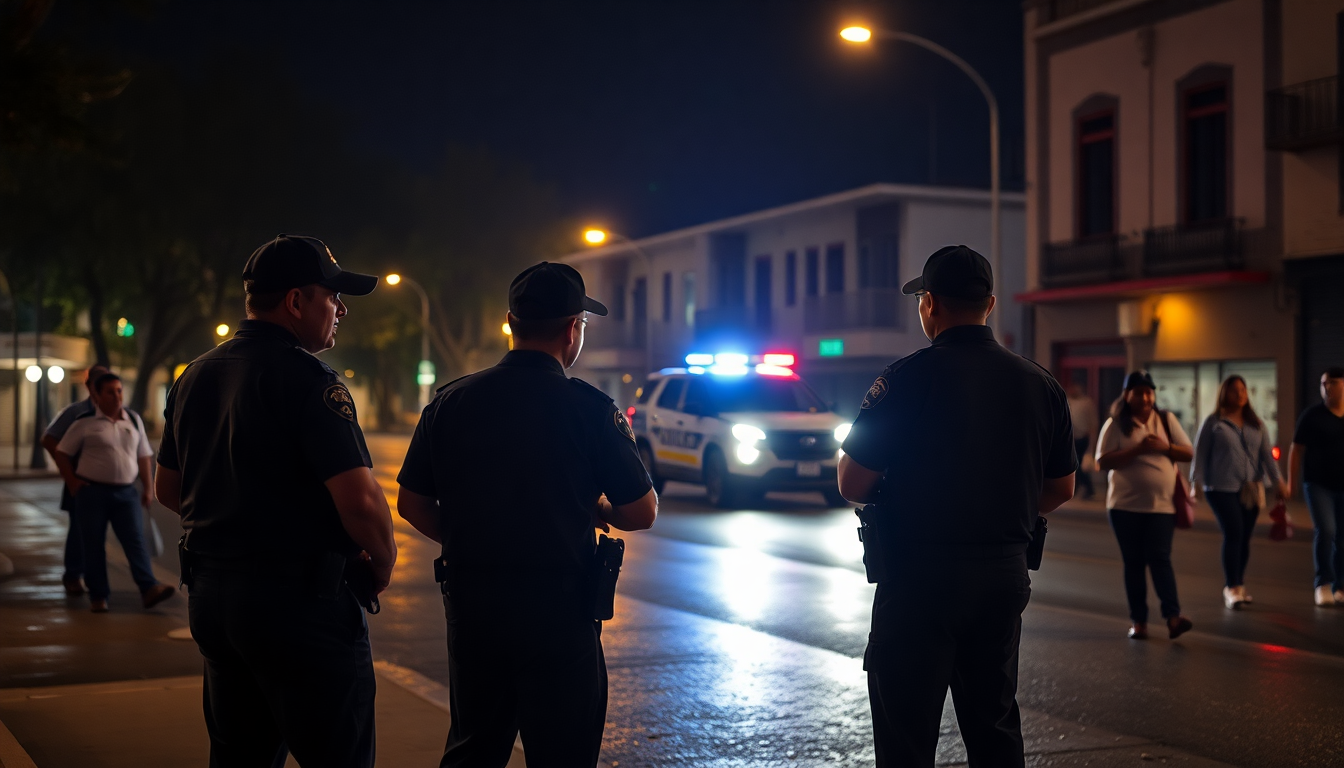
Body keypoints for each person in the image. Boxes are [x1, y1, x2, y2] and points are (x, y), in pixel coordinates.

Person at [396, 262, 657, 768]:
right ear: (572, 329)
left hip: (474, 606)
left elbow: (412, 502)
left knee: (474, 747)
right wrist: (597, 506)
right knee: (563, 752)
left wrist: (470, 539)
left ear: (511, 322)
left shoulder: (450, 401)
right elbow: (641, 510)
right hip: (561, 612)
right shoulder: (591, 409)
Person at [154, 234, 397, 768]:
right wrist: (381, 561)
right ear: (295, 302)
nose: (340, 310)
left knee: (240, 755)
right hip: (299, 606)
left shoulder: (194, 376)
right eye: (332, 298)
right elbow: (360, 501)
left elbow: (169, 490)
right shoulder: (310, 381)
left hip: (214, 599)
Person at [836, 245, 1077, 768]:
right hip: (1002, 577)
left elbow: (853, 481)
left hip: (920, 578)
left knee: (907, 732)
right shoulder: (1041, 385)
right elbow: (1061, 488)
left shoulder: (903, 380)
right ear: (989, 304)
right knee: (993, 725)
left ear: (931, 305)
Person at [51, 372, 173, 613]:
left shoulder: (134, 420)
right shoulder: (85, 422)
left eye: (119, 390)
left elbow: (144, 457)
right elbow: (62, 452)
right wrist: (73, 482)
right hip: (92, 492)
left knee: (135, 541)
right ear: (96, 394)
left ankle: (149, 588)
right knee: (93, 544)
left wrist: (148, 488)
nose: (117, 396)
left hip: (126, 493)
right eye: (110, 391)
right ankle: (98, 596)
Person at [1095, 371, 1195, 640]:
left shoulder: (1166, 419)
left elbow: (1188, 452)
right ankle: (1139, 622)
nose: (1145, 397)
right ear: (1127, 395)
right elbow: (1102, 461)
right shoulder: (1116, 424)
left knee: (1161, 559)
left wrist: (1164, 447)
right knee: (1134, 563)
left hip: (1161, 506)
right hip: (1124, 507)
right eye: (1138, 392)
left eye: (1149, 391)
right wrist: (1137, 450)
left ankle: (1173, 617)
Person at [1190, 374, 1289, 610]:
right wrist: (1196, 483)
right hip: (1220, 488)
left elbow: (1267, 456)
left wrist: (1279, 482)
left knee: (1244, 537)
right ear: (1225, 393)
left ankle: (1239, 584)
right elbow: (1200, 453)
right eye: (1235, 390)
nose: (1240, 394)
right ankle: (1231, 587)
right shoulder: (1214, 422)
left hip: (1251, 489)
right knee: (1233, 532)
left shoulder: (1257, 423)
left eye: (1243, 390)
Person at [40, 363, 111, 596]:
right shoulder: (76, 412)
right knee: (78, 531)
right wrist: (68, 472)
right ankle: (73, 575)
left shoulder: (113, 411)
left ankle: (95, 581)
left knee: (98, 533)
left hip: (106, 485)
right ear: (89, 386)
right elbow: (49, 439)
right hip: (80, 481)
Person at [1287, 367, 1344, 606]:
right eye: (1323, 384)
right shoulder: (1312, 415)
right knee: (1327, 530)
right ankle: (1323, 583)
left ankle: (1340, 586)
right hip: (1317, 483)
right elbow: (1296, 449)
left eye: (1331, 383)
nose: (1326, 388)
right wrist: (1292, 483)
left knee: (1342, 536)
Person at [1067, 383, 1099, 499]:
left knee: (1080, 465)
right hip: (1071, 438)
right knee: (1073, 465)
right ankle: (1077, 487)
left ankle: (1088, 488)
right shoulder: (1068, 402)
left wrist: (1092, 442)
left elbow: (1093, 423)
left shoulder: (1087, 403)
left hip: (1083, 438)